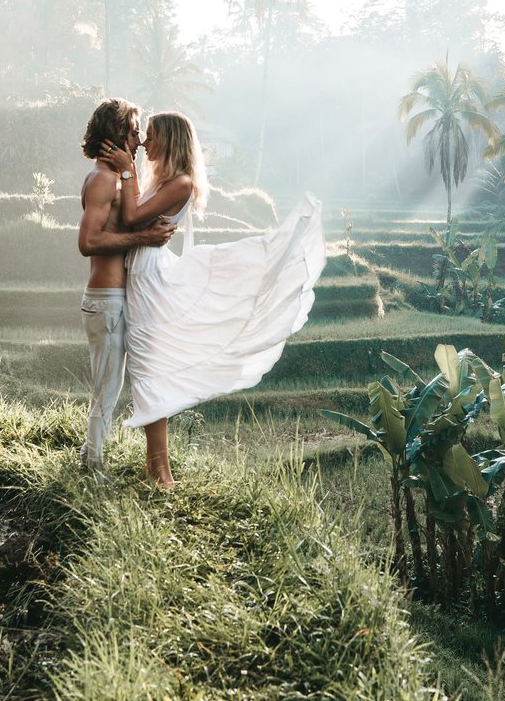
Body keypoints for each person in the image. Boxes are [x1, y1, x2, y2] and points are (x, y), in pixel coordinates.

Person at [100, 111, 325, 488]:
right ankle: (157, 470)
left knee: (149, 371)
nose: (144, 143)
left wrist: (127, 171)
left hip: (152, 280)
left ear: (170, 141)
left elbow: (134, 214)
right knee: (148, 371)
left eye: (151, 136)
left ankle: (161, 474)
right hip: (142, 275)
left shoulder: (182, 184)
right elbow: (130, 219)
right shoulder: (161, 181)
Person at [77, 98, 174, 480]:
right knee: (108, 387)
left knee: (109, 384)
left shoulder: (115, 178)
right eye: (134, 130)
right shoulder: (104, 179)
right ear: (117, 133)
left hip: (113, 300)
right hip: (106, 300)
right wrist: (146, 236)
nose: (138, 138)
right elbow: (88, 242)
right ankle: (93, 465)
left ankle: (90, 455)